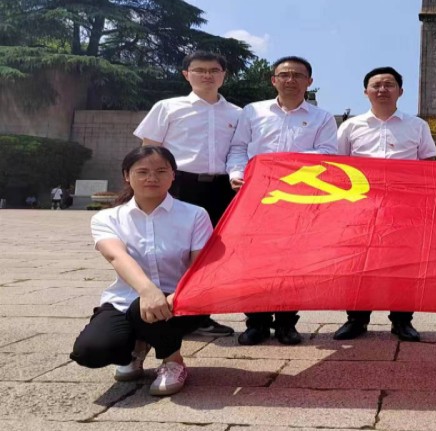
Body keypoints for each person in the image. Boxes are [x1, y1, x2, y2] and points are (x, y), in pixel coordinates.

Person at [69, 146, 211, 396]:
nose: (151, 178)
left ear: (173, 175)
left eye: (161, 171)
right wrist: (148, 291)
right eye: (142, 172)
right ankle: (137, 347)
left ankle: (173, 361)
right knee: (90, 351)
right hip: (125, 301)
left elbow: (200, 266)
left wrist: (174, 296)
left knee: (144, 310)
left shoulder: (195, 215)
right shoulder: (108, 218)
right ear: (127, 175)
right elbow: (117, 256)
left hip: (178, 302)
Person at [227, 55, 338, 346]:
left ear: (309, 81)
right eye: (284, 75)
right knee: (254, 260)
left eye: (298, 75)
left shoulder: (322, 117)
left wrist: (282, 164)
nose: (291, 80)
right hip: (256, 196)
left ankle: (287, 322)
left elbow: (328, 153)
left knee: (293, 261)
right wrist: (237, 174)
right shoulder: (253, 111)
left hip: (298, 199)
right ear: (273, 80)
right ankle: (257, 322)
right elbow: (238, 148)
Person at [133, 50, 242, 338]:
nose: (207, 75)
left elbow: (239, 150)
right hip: (178, 184)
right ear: (186, 74)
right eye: (199, 70)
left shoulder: (238, 114)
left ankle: (200, 316)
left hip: (222, 188)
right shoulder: (167, 107)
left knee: (209, 253)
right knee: (172, 249)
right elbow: (149, 150)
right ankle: (162, 311)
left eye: (214, 70)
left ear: (224, 75)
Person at [332, 67, 436, 343]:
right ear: (366, 91)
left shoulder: (417, 125)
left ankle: (402, 320)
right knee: (358, 261)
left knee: (403, 262)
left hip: (404, 206)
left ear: (400, 91)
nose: (382, 90)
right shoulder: (350, 126)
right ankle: (356, 319)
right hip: (360, 205)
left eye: (389, 85)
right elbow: (338, 165)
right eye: (376, 85)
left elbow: (428, 164)